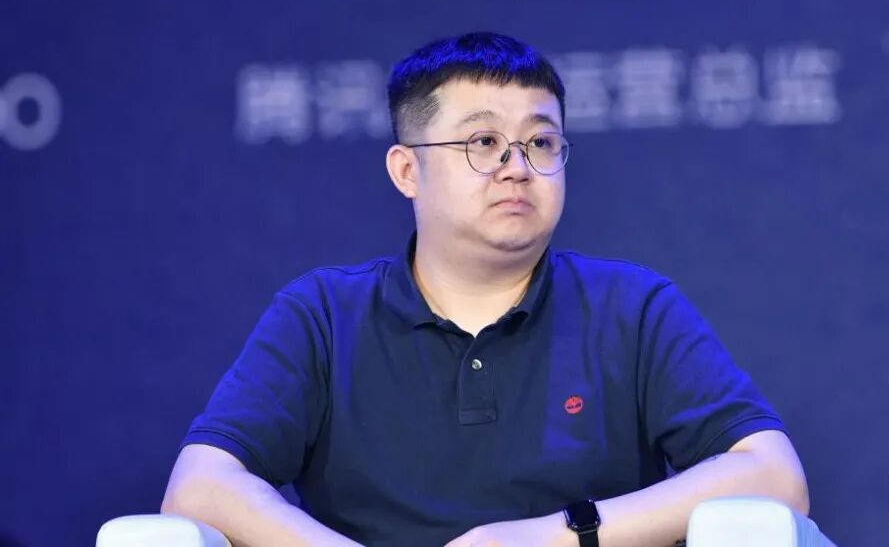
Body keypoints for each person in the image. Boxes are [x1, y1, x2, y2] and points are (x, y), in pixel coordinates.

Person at [161, 32, 809, 547]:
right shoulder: (325, 317)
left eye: (541, 142)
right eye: (484, 142)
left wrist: (556, 537)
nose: (517, 168)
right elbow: (200, 486)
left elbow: (773, 475)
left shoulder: (631, 309)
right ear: (406, 170)